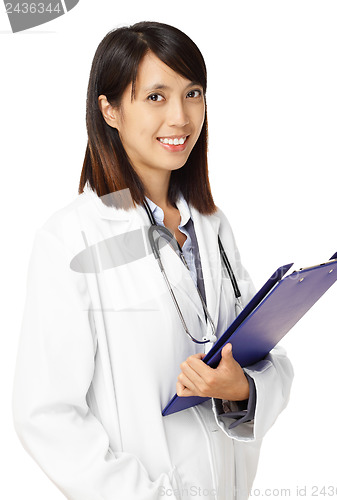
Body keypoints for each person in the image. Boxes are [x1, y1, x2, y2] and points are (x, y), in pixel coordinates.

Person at [12, 21, 294, 500]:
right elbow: (45, 414)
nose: (181, 118)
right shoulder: (71, 239)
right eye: (156, 97)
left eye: (193, 93)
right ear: (111, 110)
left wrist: (241, 388)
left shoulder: (212, 225)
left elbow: (271, 359)